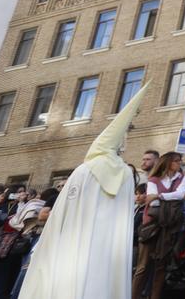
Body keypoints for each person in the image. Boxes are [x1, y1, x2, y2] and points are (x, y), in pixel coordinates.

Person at [19, 83, 151, 299]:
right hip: (108, 246)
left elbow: (64, 209)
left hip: (74, 239)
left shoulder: (84, 169)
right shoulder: (127, 175)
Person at [132, 151, 185, 299]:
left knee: (161, 267)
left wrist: (160, 195)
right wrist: (169, 198)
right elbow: (153, 203)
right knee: (142, 267)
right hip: (151, 226)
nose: (179, 163)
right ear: (168, 162)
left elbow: (181, 195)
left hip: (169, 228)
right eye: (177, 161)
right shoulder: (154, 179)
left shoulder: (183, 178)